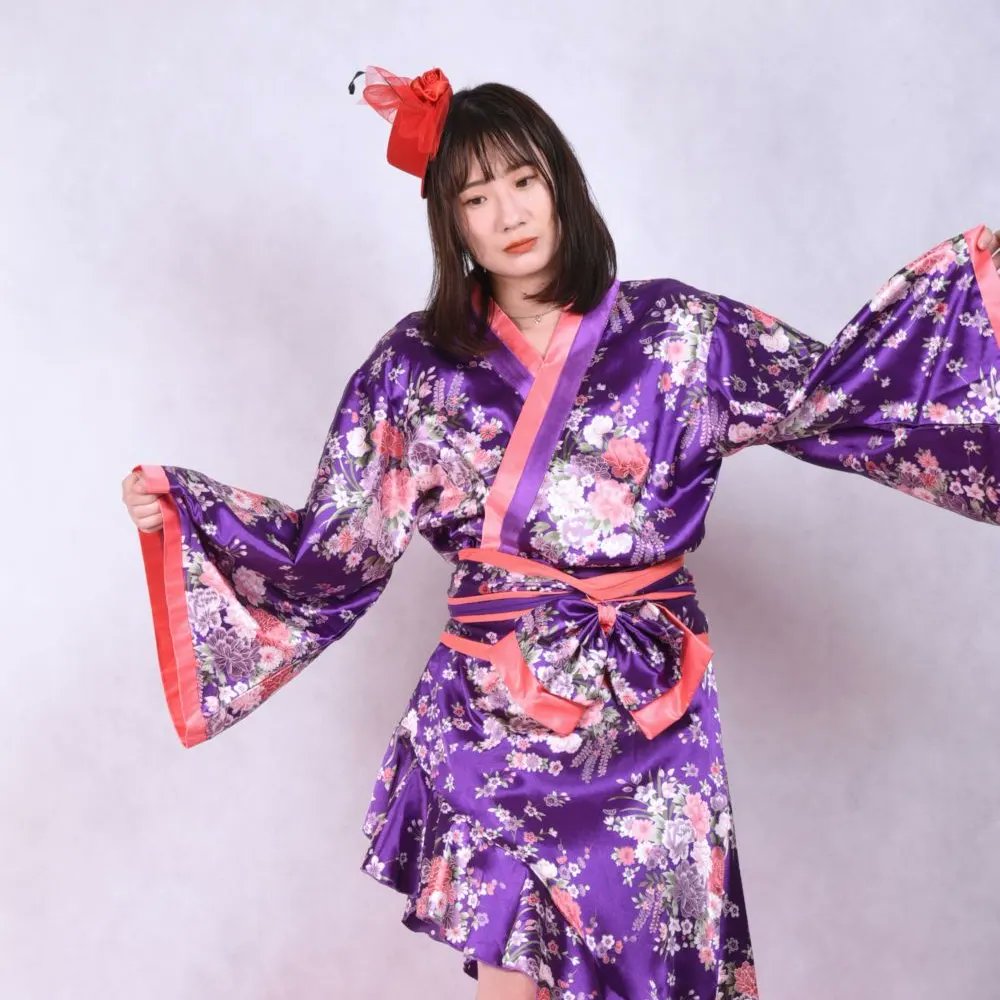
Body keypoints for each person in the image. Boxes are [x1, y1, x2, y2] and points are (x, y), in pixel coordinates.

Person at [122, 64, 1000, 1000]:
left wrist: (969, 300)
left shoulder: (679, 331)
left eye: (523, 180)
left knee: (662, 970)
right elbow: (338, 550)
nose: (508, 213)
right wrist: (189, 510)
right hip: (495, 709)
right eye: (476, 196)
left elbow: (836, 394)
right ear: (450, 223)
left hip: (648, 708)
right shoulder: (412, 368)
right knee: (511, 977)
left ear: (560, 183)